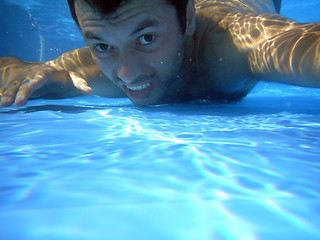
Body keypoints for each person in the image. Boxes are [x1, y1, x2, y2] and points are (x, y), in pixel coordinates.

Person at [0, 0, 319, 107]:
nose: (126, 74)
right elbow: (10, 67)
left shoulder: (238, 44)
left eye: (147, 37)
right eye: (101, 45)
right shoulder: (90, 69)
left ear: (189, 19)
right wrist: (24, 77)